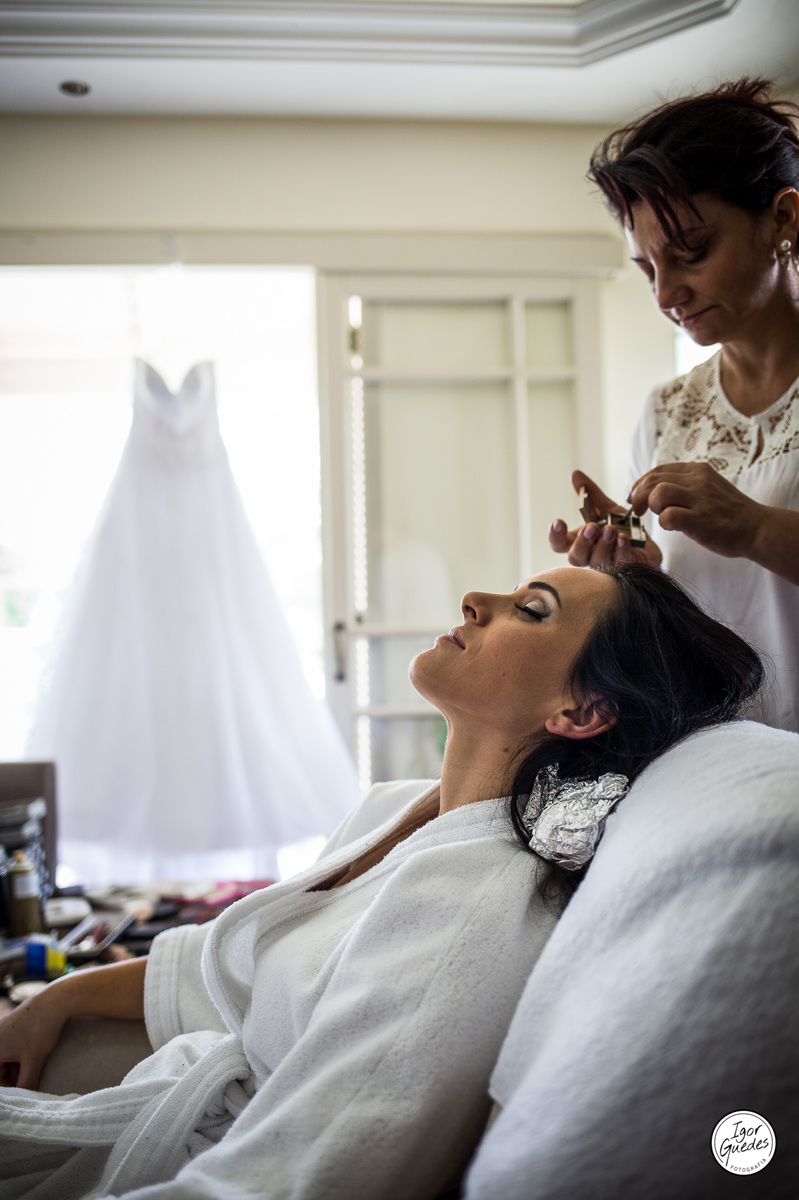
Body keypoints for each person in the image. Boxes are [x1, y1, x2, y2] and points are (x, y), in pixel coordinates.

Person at [0, 565, 762, 1200]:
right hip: (171, 1090)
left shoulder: (468, 913)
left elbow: (306, 1173)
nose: (476, 599)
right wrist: (58, 998)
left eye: (531, 611)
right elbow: (243, 965)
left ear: (581, 710)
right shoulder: (394, 809)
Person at [548, 78, 799, 734]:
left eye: (691, 252)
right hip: (721, 762)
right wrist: (641, 580)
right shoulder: (668, 412)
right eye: (647, 267)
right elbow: (691, 638)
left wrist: (754, 528)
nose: (665, 294)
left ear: (783, 218)